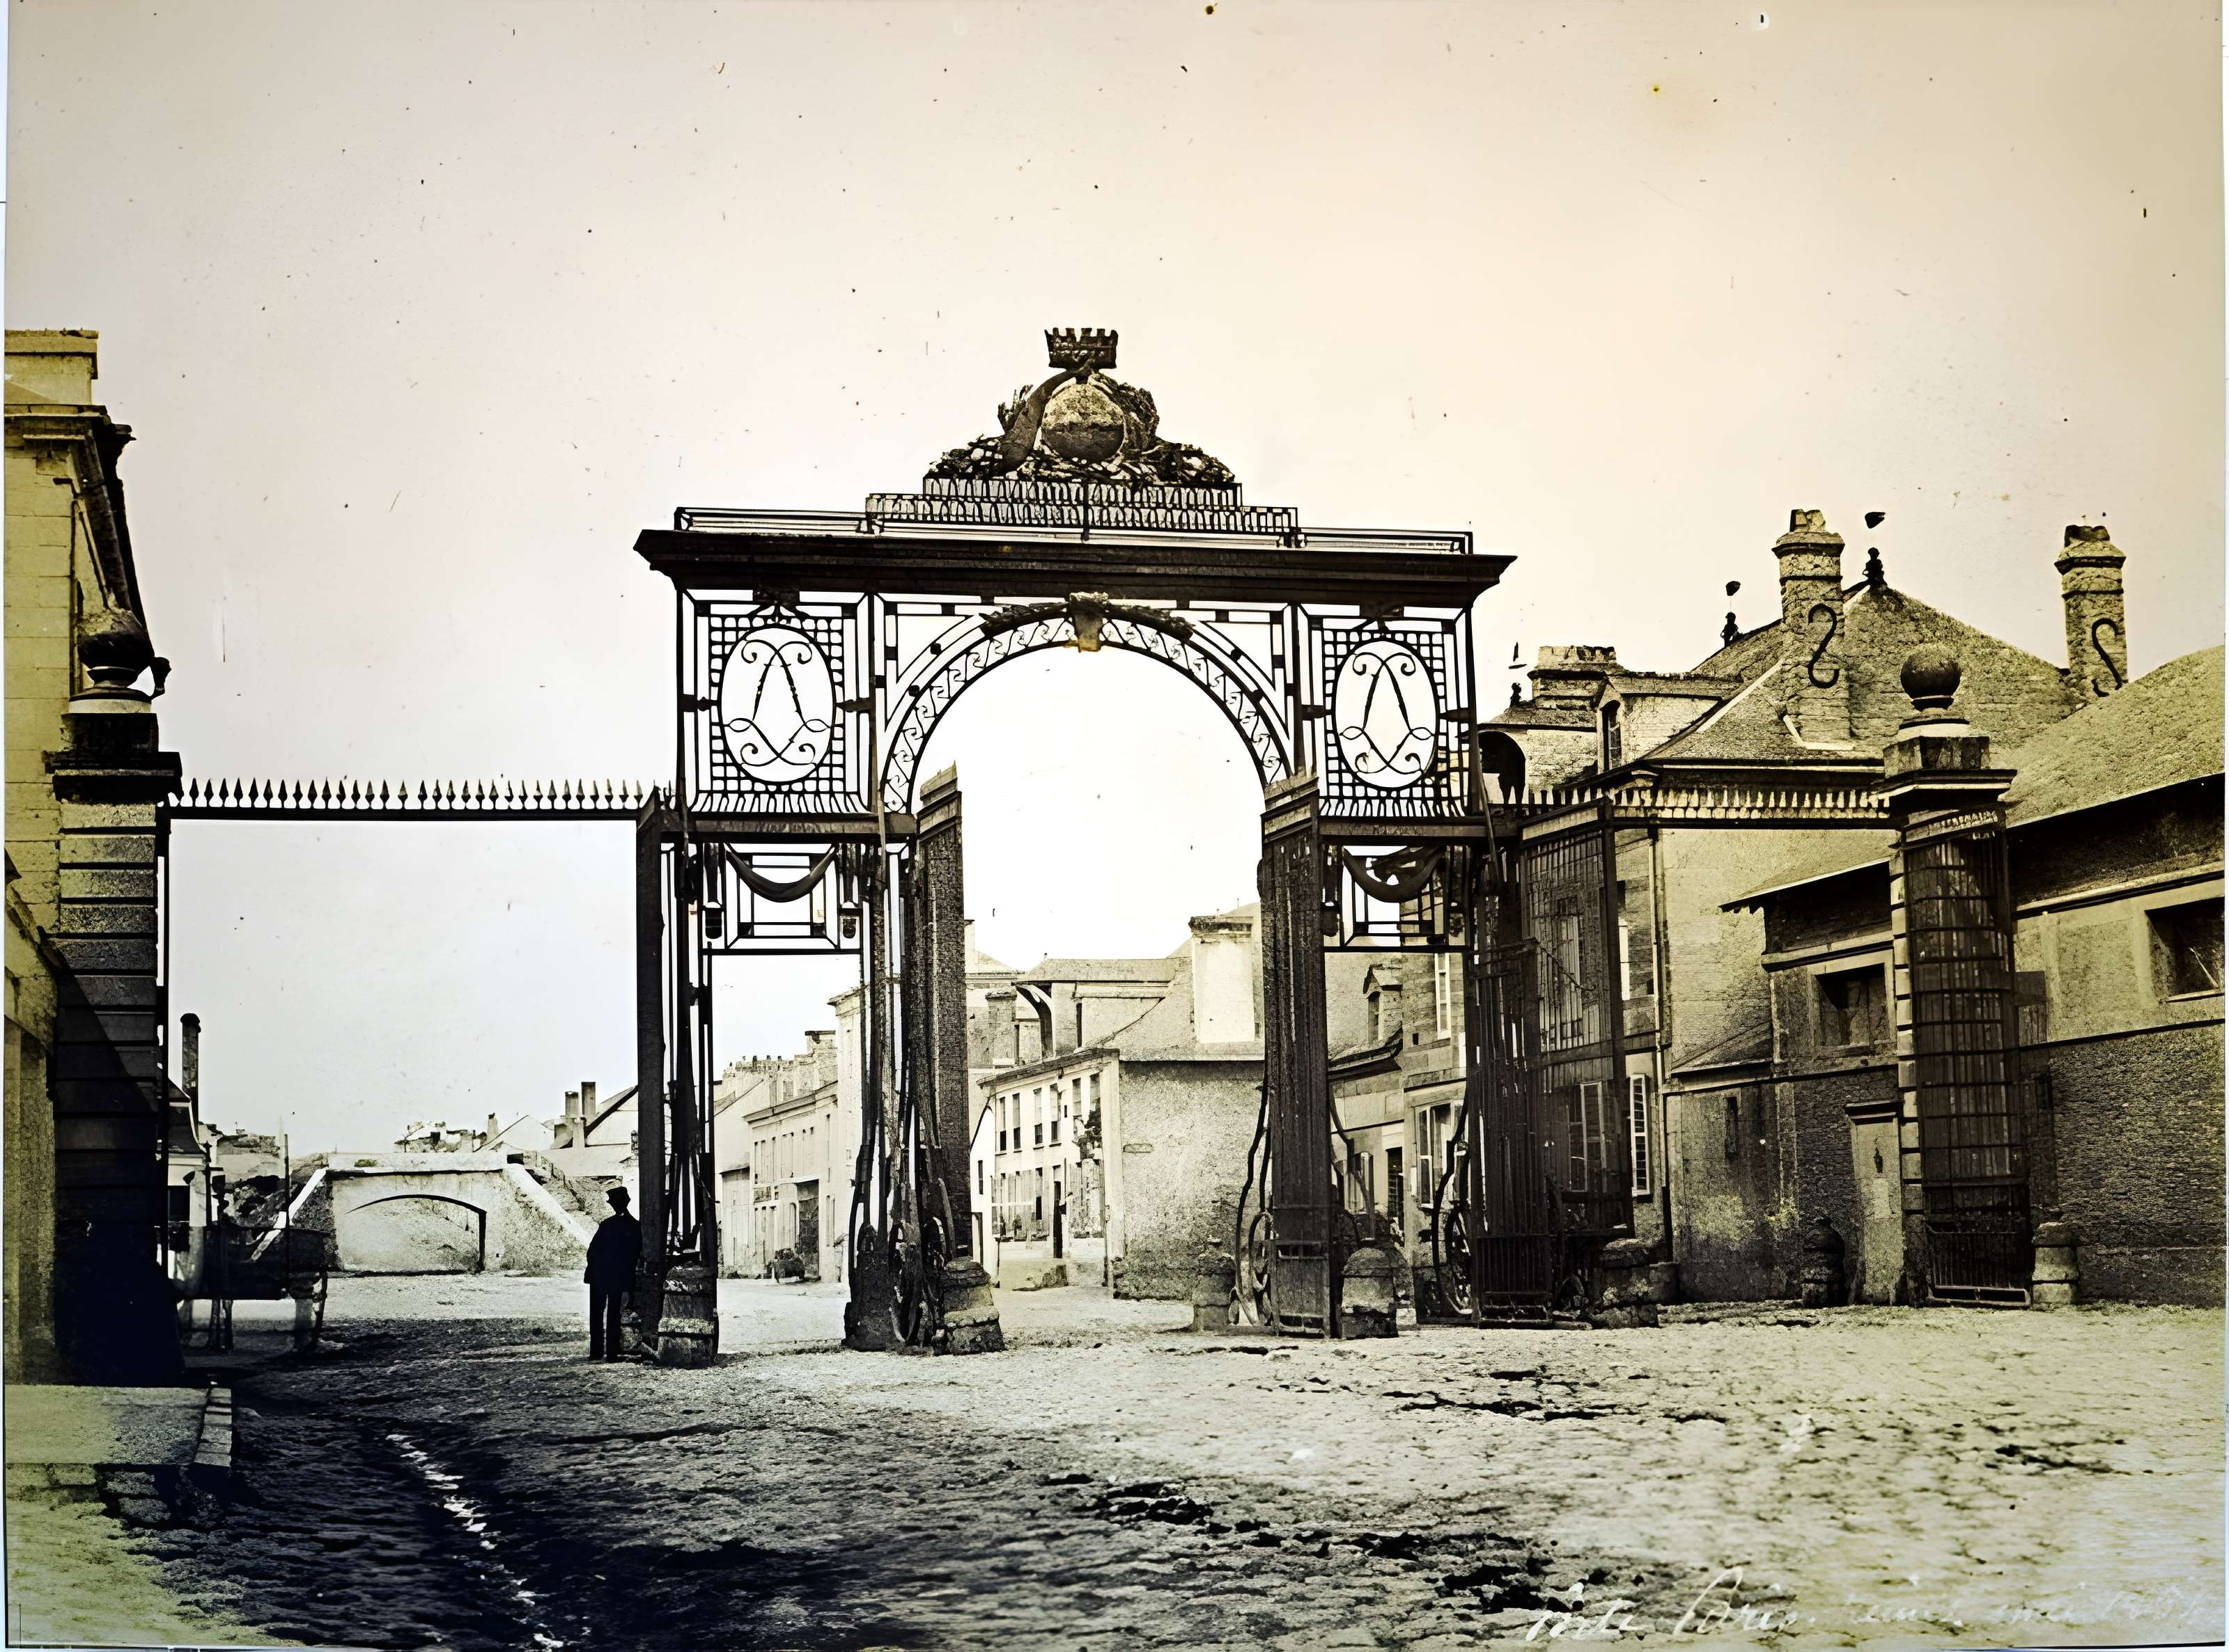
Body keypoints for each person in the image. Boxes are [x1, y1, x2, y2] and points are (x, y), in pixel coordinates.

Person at [584, 1187, 641, 1362]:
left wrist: (594, 1268)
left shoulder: (607, 1225)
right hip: (617, 1277)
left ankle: (596, 1352)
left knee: (597, 1314)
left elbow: (592, 1251)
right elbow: (634, 1257)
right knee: (613, 1315)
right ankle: (612, 1354)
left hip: (600, 1276)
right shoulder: (635, 1227)